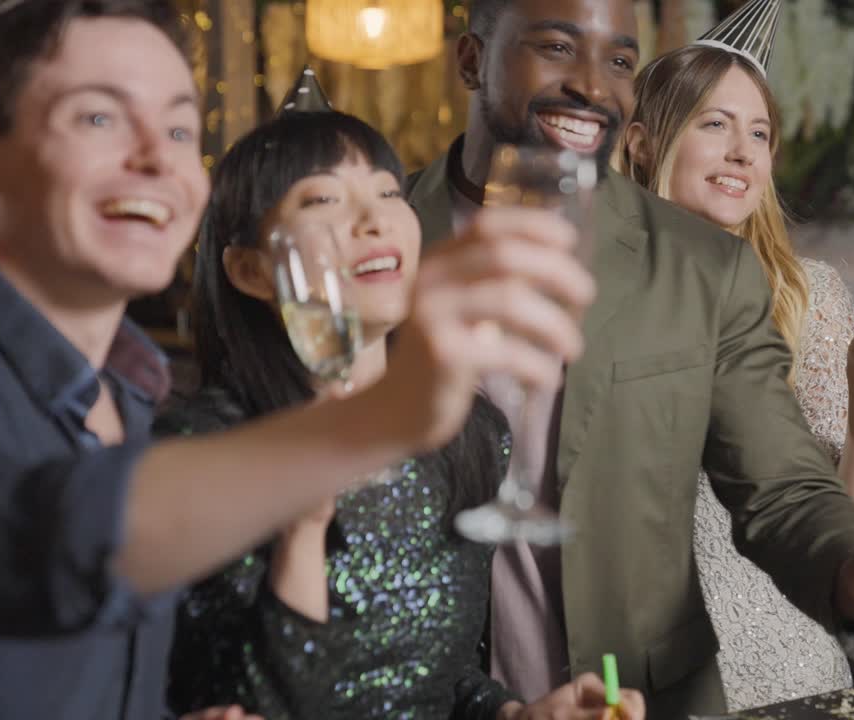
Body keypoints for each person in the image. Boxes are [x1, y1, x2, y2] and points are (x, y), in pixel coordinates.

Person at [0, 1, 595, 718]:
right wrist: (379, 417)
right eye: (98, 118)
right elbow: (16, 545)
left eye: (178, 128)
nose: (157, 158)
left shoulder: (129, 398)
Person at [407, 0, 854, 716]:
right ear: (470, 61)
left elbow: (785, 490)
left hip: (645, 699)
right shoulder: (383, 239)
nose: (591, 84)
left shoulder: (704, 266)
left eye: (618, 60)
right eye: (556, 47)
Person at [161, 94, 645, 720]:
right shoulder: (201, 449)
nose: (375, 220)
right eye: (323, 200)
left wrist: (519, 715)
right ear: (251, 270)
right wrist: (302, 522)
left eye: (389, 193)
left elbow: (445, 678)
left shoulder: (469, 433)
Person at [613, 0, 854, 708]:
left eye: (760, 133)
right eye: (715, 124)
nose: (743, 152)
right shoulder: (598, 290)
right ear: (641, 142)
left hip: (795, 654)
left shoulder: (810, 295)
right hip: (643, 663)